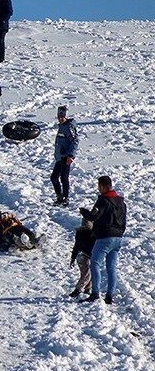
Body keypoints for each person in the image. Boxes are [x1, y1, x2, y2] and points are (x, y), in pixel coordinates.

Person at [79, 176, 126, 304]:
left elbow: (92, 216)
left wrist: (83, 211)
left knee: (95, 264)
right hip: (118, 238)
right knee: (111, 268)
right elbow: (124, 221)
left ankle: (95, 293)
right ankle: (110, 296)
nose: (98, 189)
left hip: (104, 237)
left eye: (99, 186)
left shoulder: (103, 201)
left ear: (103, 186)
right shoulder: (121, 202)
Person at [51, 105, 78, 206]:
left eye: (62, 118)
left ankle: (65, 198)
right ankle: (59, 196)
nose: (60, 119)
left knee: (64, 178)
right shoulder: (61, 127)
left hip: (66, 157)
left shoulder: (68, 127)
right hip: (59, 157)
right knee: (54, 177)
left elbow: (74, 141)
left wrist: (70, 155)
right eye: (59, 118)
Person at [69, 218, 95, 298]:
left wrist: (73, 258)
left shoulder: (79, 233)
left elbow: (76, 246)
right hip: (86, 257)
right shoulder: (92, 234)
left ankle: (87, 289)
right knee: (87, 275)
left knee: (87, 274)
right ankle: (77, 290)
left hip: (80, 256)